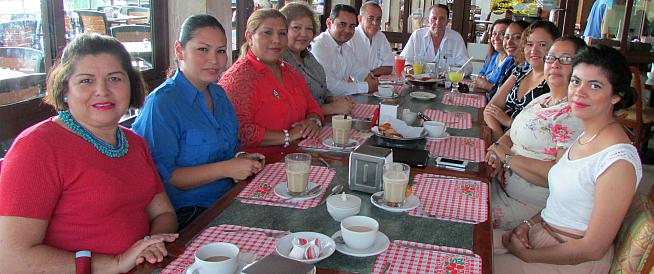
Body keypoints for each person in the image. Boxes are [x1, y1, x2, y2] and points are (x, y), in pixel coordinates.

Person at [0, 33, 178, 273]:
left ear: (131, 86)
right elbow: (11, 259)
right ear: (65, 89)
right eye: (86, 81)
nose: (102, 90)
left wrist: (150, 247)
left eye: (114, 78)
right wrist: (115, 263)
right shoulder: (37, 148)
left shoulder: (134, 143)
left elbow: (164, 212)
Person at [492, 45, 641, 274]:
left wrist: (529, 256)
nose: (579, 92)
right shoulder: (584, 136)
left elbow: (593, 248)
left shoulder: (618, 162)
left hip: (570, 259)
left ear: (616, 96)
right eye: (576, 81)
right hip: (542, 235)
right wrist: (527, 225)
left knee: (467, 265)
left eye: (595, 85)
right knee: (461, 242)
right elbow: (559, 204)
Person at [132, 15, 264, 229]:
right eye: (203, 49)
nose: (214, 60)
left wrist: (242, 159)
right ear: (179, 50)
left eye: (220, 51)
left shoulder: (219, 94)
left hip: (229, 200)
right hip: (188, 214)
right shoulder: (162, 104)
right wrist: (226, 168)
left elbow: (228, 151)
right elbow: (163, 176)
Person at [486, 36, 587, 230]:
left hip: (530, 208)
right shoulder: (543, 100)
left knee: (457, 216)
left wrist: (506, 157)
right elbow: (512, 133)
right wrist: (496, 152)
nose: (555, 64)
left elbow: (557, 175)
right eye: (551, 58)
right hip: (499, 185)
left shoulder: (574, 115)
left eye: (565, 59)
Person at [220, 9, 323, 162]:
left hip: (299, 157)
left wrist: (313, 122)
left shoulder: (290, 71)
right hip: (258, 167)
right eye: (267, 33)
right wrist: (288, 136)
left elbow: (312, 106)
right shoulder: (238, 78)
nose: (276, 40)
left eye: (282, 33)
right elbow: (240, 131)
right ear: (249, 37)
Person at [484, 21, 560, 141]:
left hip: (523, 150)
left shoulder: (553, 83)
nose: (533, 50)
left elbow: (541, 132)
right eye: (529, 44)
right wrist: (497, 139)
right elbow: (489, 109)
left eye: (542, 45)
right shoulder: (520, 71)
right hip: (499, 143)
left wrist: (509, 122)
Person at [279, 3, 354, 116]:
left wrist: (331, 98)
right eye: (296, 28)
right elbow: (290, 109)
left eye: (309, 29)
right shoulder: (279, 62)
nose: (303, 34)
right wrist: (330, 108)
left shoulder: (308, 56)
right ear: (282, 31)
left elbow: (322, 86)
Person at [310, 4, 379, 96]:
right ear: (329, 23)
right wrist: (366, 87)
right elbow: (329, 85)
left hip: (341, 103)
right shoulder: (319, 46)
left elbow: (359, 70)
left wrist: (369, 78)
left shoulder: (345, 48)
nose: (347, 30)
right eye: (342, 24)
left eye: (352, 26)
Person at [400, 4, 471, 72]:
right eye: (434, 18)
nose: (438, 22)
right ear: (428, 21)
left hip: (446, 82)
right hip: (419, 81)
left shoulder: (456, 39)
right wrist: (408, 69)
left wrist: (450, 72)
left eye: (442, 18)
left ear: (447, 22)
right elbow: (403, 60)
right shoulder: (417, 36)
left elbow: (467, 67)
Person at [485, 20, 531, 102]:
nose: (509, 42)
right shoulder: (513, 64)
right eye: (506, 37)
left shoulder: (527, 69)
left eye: (517, 37)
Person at [347, 1, 394, 76]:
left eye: (378, 19)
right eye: (370, 18)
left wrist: (370, 74)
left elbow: (388, 67)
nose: (375, 23)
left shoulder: (381, 37)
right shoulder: (350, 36)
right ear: (359, 19)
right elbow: (347, 71)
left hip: (376, 83)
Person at [476, 19, 513, 93]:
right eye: (494, 34)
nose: (496, 38)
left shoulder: (512, 62)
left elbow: (508, 94)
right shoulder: (494, 56)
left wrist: (486, 85)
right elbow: (481, 75)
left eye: (502, 34)